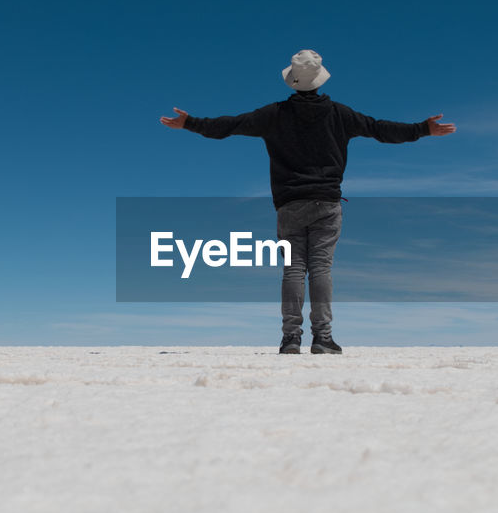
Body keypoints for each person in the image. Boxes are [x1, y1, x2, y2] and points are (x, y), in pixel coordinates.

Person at [160, 49, 455, 354]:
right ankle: (323, 338)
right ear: (319, 79)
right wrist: (422, 129)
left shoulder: (273, 115)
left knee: (293, 269)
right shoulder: (340, 114)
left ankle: (291, 338)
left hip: (290, 205)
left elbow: (230, 126)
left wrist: (190, 123)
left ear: (293, 80)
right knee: (321, 269)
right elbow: (379, 129)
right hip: (327, 203)